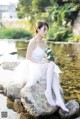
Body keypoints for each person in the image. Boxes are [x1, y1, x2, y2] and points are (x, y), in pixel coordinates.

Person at [0, 21, 69, 112]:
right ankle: (50, 93)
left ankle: (58, 100)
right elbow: (28, 57)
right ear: (38, 29)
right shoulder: (33, 42)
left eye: (47, 29)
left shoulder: (44, 41)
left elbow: (45, 55)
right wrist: (41, 62)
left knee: (53, 71)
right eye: (44, 29)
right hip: (34, 65)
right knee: (52, 70)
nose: (46, 32)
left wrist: (48, 58)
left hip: (42, 64)